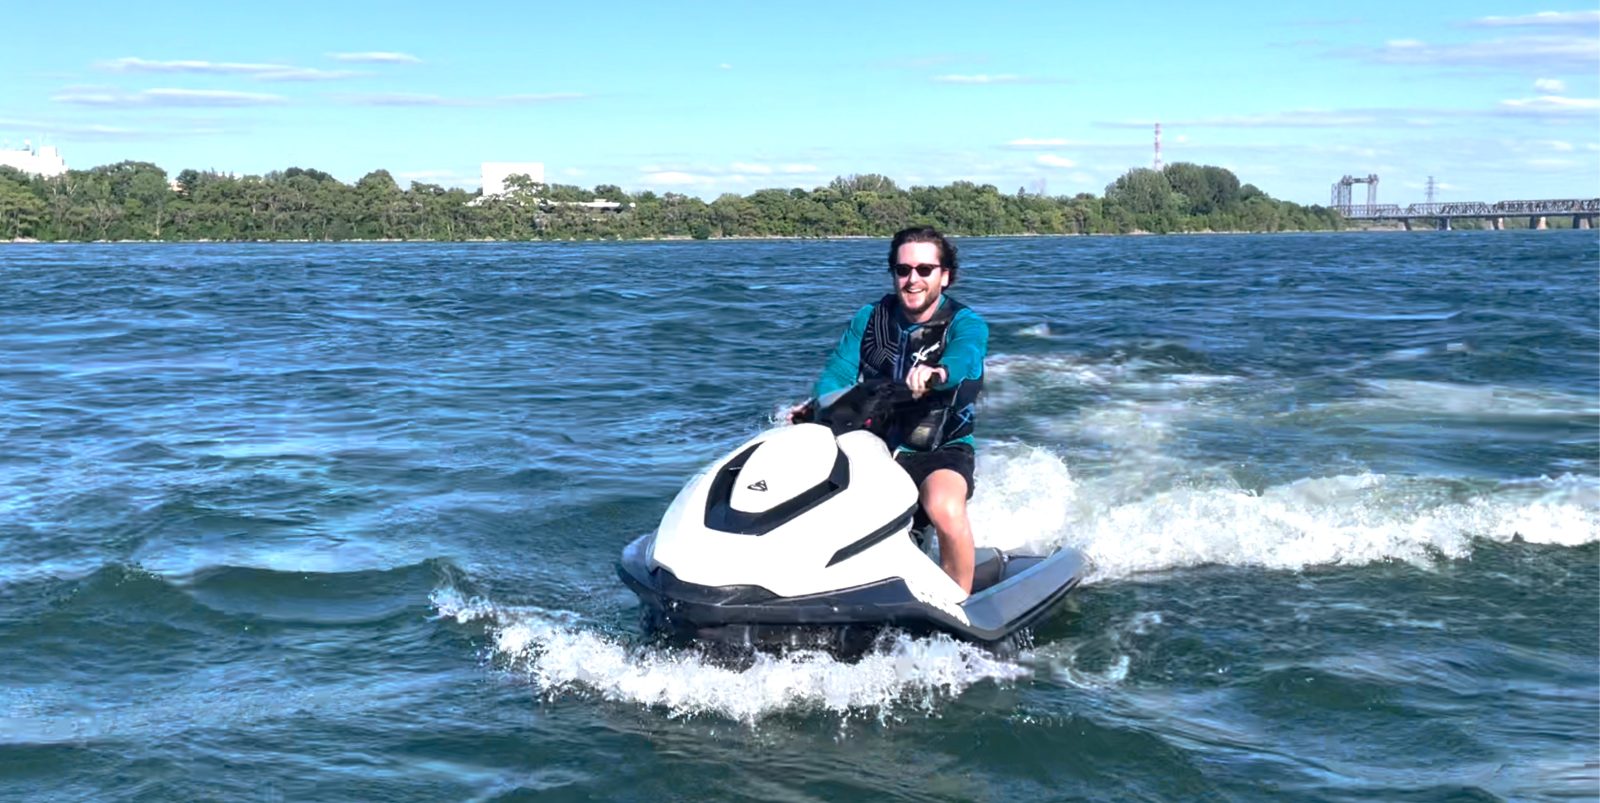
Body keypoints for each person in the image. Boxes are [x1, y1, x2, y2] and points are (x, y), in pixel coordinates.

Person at [793, 226, 988, 595]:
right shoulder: (870, 318)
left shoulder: (966, 324)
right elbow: (837, 372)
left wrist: (938, 372)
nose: (912, 279)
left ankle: (959, 610)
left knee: (943, 508)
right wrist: (818, 406)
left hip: (940, 447)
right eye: (903, 270)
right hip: (873, 445)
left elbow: (966, 358)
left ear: (944, 276)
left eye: (924, 270)